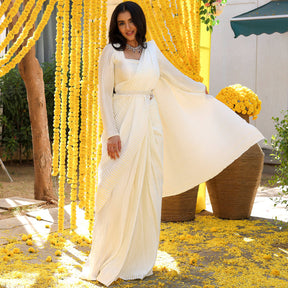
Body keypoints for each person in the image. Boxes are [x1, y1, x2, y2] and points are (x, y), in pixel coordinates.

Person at [81, 1, 263, 286]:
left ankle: (139, 259)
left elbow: (174, 78)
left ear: (140, 22)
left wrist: (200, 91)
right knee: (118, 187)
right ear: (116, 27)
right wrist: (111, 132)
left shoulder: (152, 51)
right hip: (123, 124)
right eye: (121, 23)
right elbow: (104, 94)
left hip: (151, 126)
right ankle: (111, 255)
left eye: (131, 22)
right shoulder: (111, 52)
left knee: (147, 189)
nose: (127, 28)